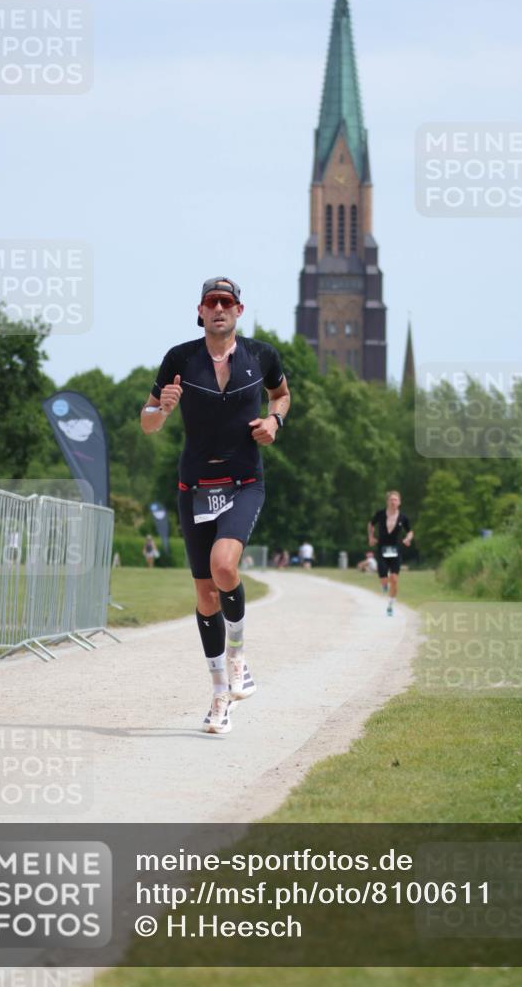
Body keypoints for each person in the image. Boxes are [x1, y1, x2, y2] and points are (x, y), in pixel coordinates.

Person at [141, 276, 290, 734]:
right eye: (212, 302)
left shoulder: (261, 356)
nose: (220, 308)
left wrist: (274, 420)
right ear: (201, 311)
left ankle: (240, 656)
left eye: (228, 301)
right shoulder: (180, 359)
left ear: (239, 311)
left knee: (225, 566)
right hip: (195, 487)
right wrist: (162, 409)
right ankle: (220, 695)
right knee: (205, 596)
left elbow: (281, 394)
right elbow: (147, 423)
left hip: (244, 481)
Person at [367, 490, 414, 616]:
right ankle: (384, 586)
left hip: (396, 550)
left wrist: (408, 539)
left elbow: (410, 531)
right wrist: (371, 537)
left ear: (399, 502)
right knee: (384, 580)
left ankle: (391, 604)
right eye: (391, 499)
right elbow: (371, 524)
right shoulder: (380, 514)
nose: (393, 502)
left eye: (395, 500)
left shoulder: (403, 518)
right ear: (387, 501)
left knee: (394, 579)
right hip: (382, 550)